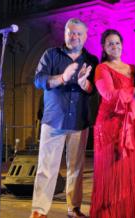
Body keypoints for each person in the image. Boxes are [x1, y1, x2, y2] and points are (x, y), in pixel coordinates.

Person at [29, 18, 98, 218]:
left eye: (78, 33)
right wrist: (62, 78)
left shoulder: (91, 60)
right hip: (53, 120)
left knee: (76, 169)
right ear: (65, 34)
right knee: (46, 168)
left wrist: (85, 84)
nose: (74, 36)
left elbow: (94, 90)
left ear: (85, 37)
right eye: (70, 32)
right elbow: (38, 80)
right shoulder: (50, 55)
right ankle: (39, 210)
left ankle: (74, 208)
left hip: (79, 121)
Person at [89, 29, 135, 218]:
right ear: (104, 47)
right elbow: (109, 96)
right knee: (114, 173)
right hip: (112, 126)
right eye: (110, 43)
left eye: (118, 43)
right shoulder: (101, 69)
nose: (115, 46)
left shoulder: (133, 69)